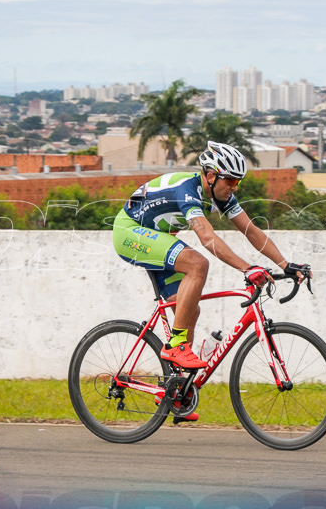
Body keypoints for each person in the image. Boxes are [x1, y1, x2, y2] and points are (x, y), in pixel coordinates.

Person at [113, 142, 311, 387]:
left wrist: (286, 264)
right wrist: (247, 268)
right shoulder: (187, 190)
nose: (234, 187)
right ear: (210, 176)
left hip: (156, 239)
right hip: (130, 233)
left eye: (238, 182)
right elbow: (206, 237)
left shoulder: (222, 195)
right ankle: (175, 346)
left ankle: (178, 390)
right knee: (198, 264)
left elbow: (251, 230)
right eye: (230, 181)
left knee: (190, 310)